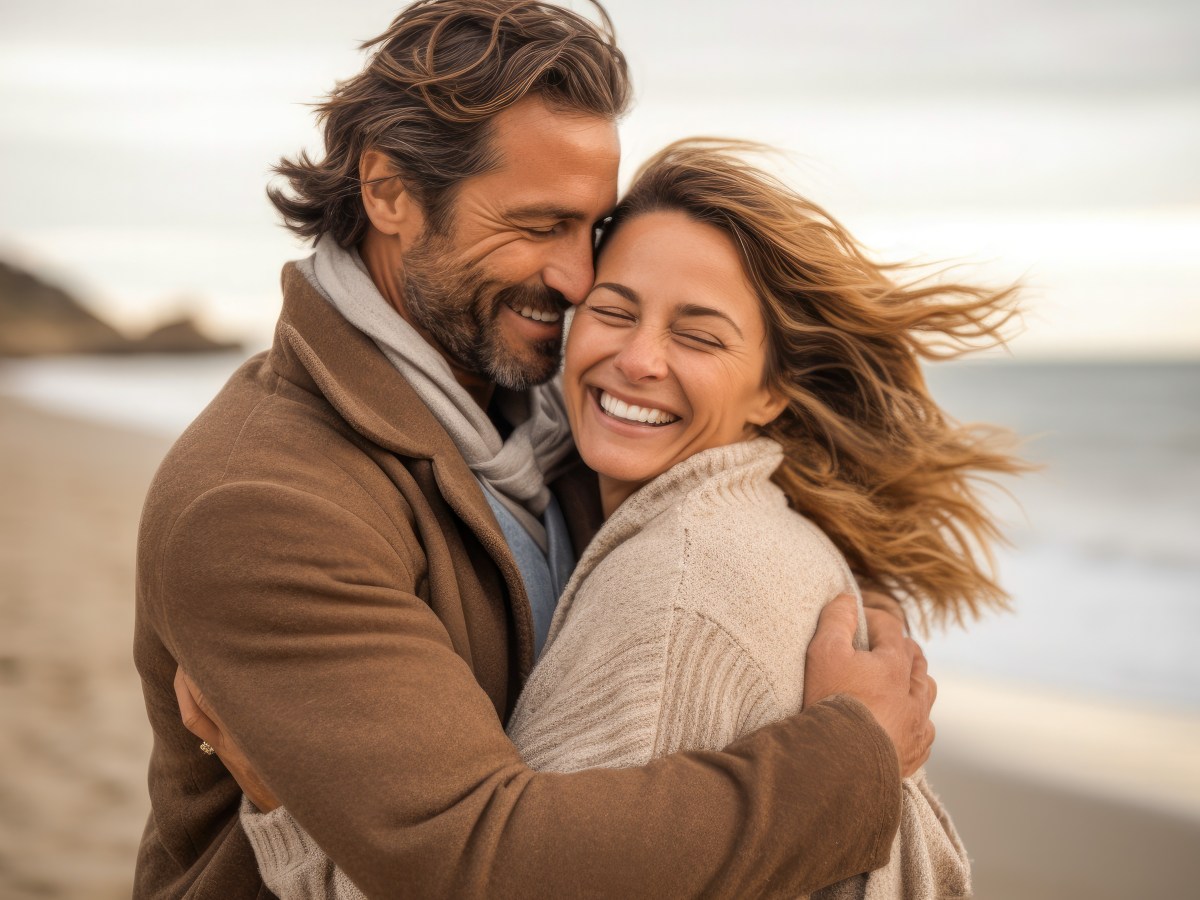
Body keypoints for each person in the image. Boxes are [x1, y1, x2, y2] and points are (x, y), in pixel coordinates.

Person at [135, 2, 935, 897]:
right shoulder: (264, 500)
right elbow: (488, 862)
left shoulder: (549, 409)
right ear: (390, 192)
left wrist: (826, 605)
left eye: (590, 229)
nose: (580, 277)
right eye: (536, 225)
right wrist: (851, 757)